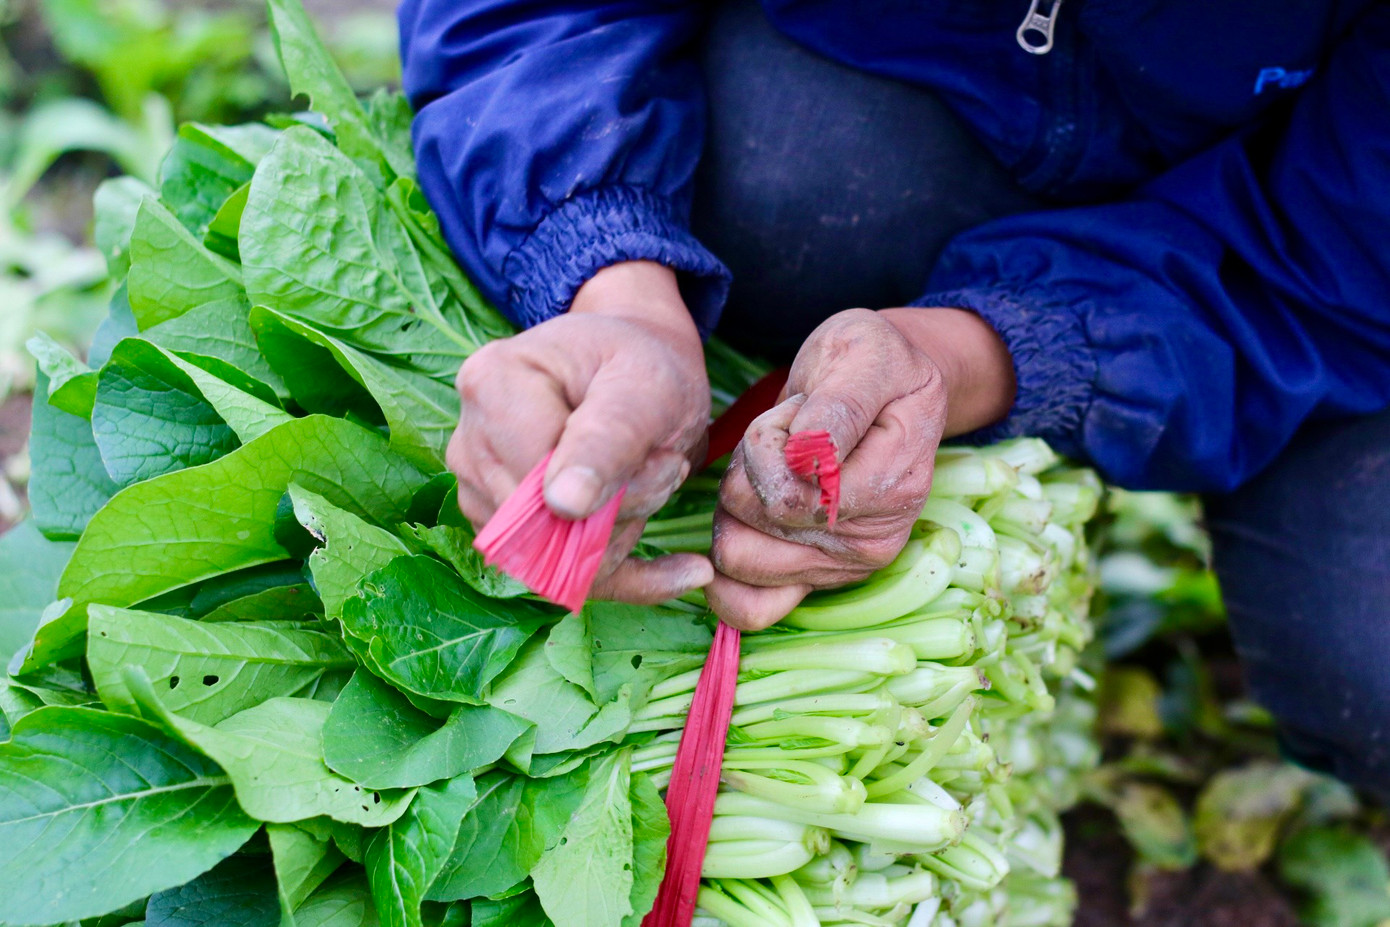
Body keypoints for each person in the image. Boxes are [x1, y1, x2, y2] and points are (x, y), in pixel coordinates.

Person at [397, 0, 1390, 800]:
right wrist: (615, 282)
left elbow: (1336, 267)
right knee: (783, 189)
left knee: (1371, 672)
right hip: (908, 79)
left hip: (1322, 236)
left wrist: (980, 359)